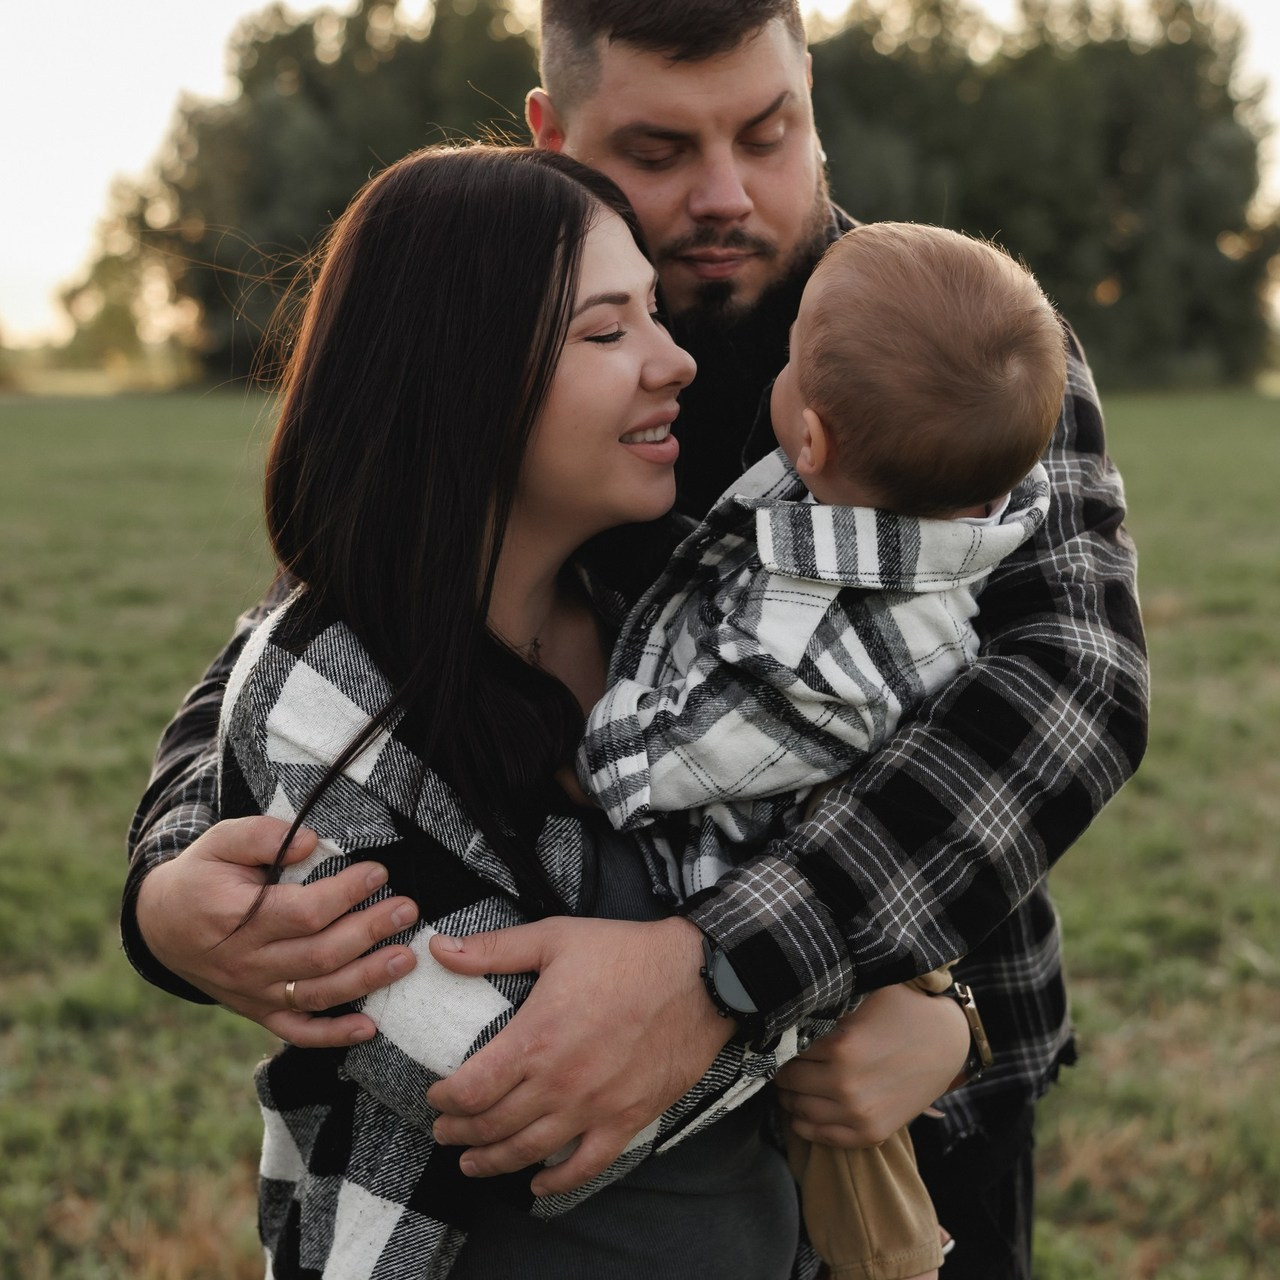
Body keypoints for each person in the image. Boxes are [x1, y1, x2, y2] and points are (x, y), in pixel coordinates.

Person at [124, 3, 1150, 1275]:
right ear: (552, 133)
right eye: (659, 152)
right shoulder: (506, 318)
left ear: (808, 89)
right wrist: (169, 876)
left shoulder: (943, 324)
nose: (726, 193)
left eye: (768, 132)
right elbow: (313, 629)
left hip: (914, 1062)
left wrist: (747, 975)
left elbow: (1072, 682)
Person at [217, 141, 823, 1277]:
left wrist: (929, 1001)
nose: (674, 360)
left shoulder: (672, 607)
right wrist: (825, 980)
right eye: (607, 331)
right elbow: (510, 1091)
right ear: (459, 374)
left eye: (654, 313)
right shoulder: (315, 699)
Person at [578, 220, 1065, 1280]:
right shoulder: (931, 492)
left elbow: (680, 759)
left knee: (861, 1205)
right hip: (861, 940)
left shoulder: (820, 640)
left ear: (811, 444)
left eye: (792, 352)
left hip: (836, 977)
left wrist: (595, 736)